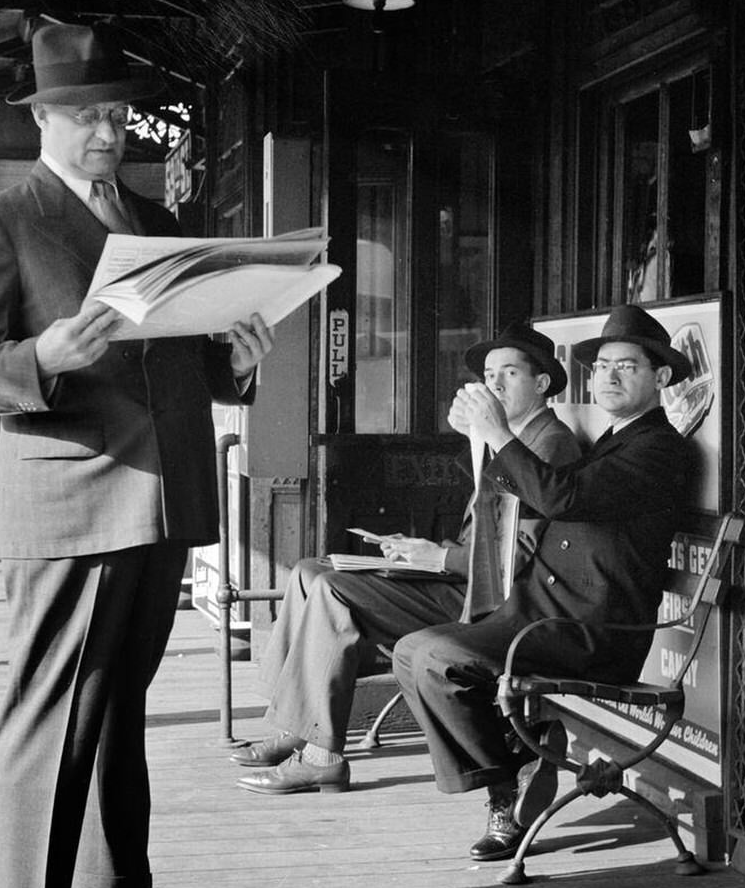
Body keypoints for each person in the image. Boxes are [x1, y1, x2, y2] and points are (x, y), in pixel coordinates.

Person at [0, 22, 275, 888]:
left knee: (115, 705)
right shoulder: (1, 221)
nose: (105, 129)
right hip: (72, 501)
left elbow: (186, 355)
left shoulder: (151, 219)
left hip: (161, 496)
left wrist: (238, 361)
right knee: (50, 711)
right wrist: (44, 354)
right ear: (41, 115)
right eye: (85, 113)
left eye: (117, 113)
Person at [392, 304, 701, 861]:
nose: (608, 376)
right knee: (411, 651)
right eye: (603, 365)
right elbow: (535, 497)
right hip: (542, 611)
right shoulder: (617, 439)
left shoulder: (658, 448)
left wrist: (498, 430)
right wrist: (483, 438)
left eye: (626, 366)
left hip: (589, 629)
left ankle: (504, 786)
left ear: (661, 378)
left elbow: (561, 497)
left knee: (437, 657)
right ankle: (510, 775)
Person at [234, 322, 580, 795]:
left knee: (333, 590)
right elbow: (488, 519)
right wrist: (423, 550)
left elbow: (513, 557)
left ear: (541, 384)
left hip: (487, 601)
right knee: (308, 571)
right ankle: (295, 727)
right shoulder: (509, 436)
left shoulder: (549, 442)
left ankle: (321, 755)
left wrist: (437, 557)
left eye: (510, 373)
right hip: (463, 577)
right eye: (489, 374)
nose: (494, 385)